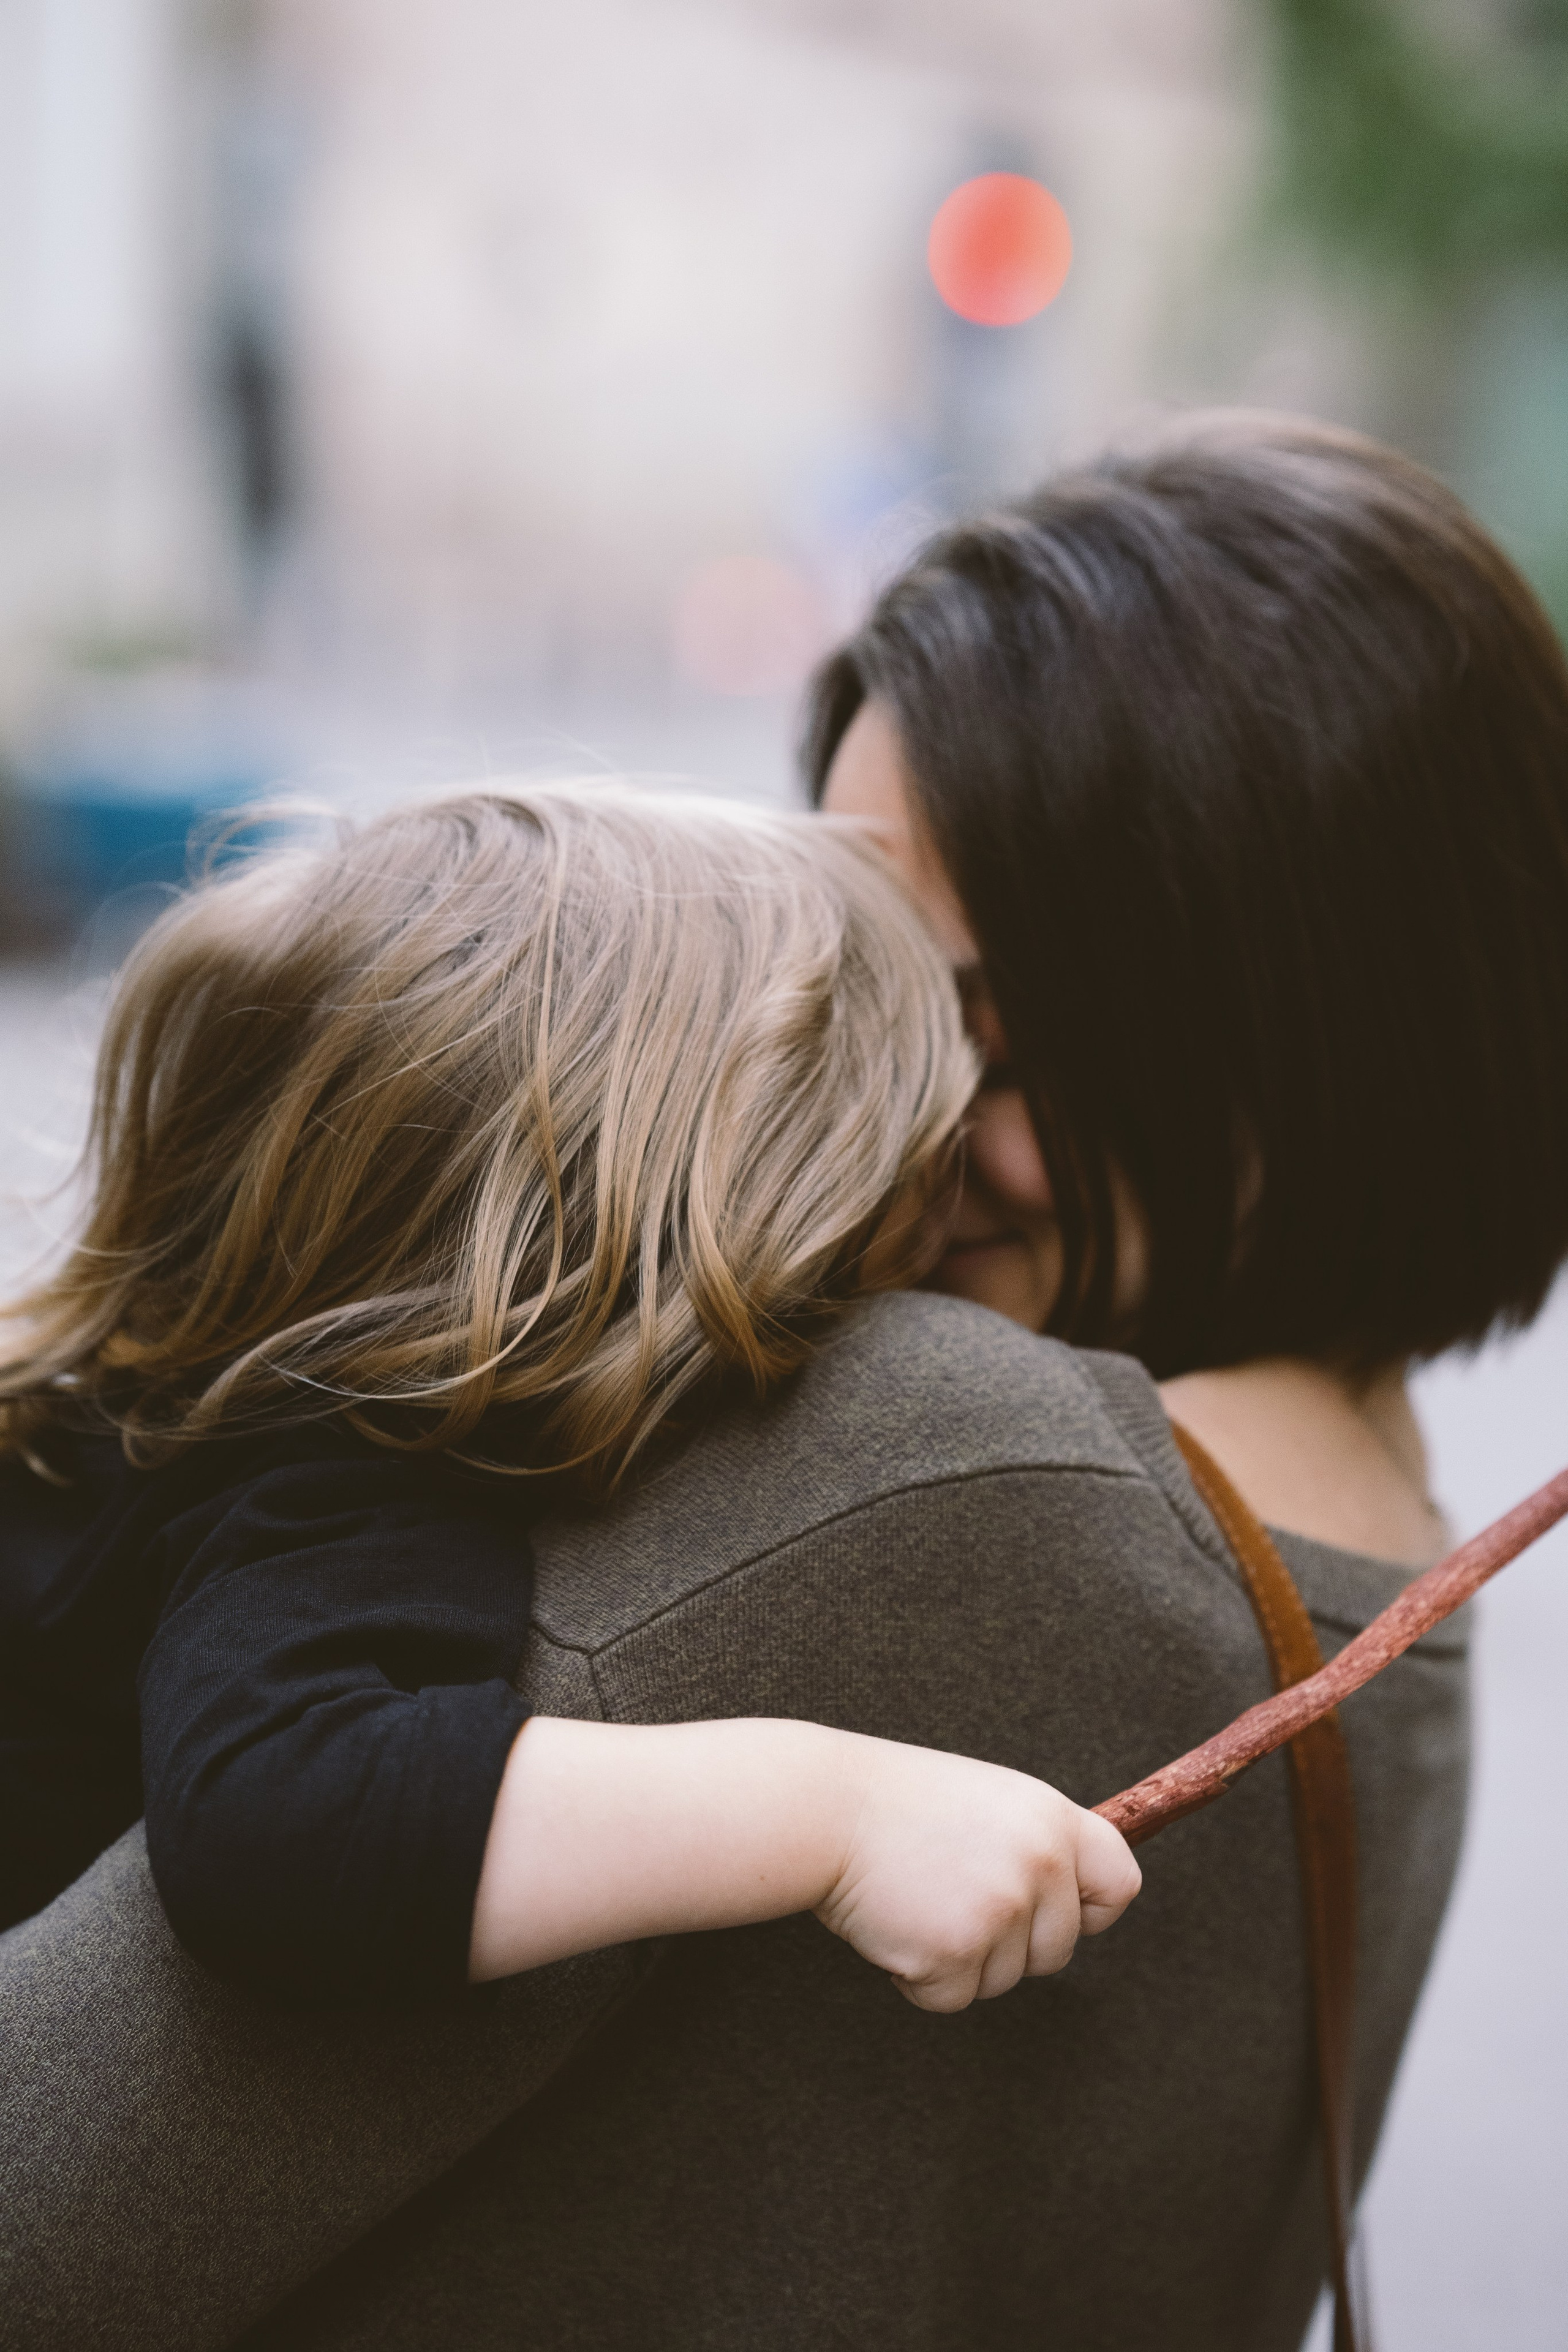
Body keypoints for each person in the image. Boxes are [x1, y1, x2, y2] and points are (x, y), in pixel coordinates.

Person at [4, 413, 1562, 2352]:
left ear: (1300, 1031)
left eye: (978, 1033)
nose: (884, 1127)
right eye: (851, 1001)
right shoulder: (1405, 1558)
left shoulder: (943, 1469)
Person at [0, 781, 1138, 2015]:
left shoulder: (161, 1411)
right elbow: (282, 1825)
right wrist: (835, 1812)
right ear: (714, 1208)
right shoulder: (344, 1468)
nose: (951, 1201)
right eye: (913, 1156)